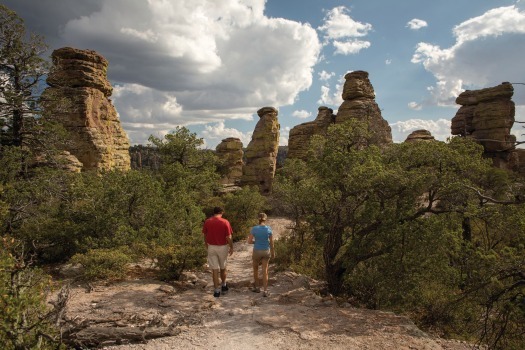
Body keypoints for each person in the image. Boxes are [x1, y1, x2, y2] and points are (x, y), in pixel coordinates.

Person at [202, 207, 234, 297]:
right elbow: (228, 237)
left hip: (211, 246)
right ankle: (223, 285)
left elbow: (205, 234)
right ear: (221, 212)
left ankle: (216, 291)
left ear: (214, 212)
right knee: (223, 267)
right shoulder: (225, 222)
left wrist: (206, 245)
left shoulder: (207, 221)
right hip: (223, 247)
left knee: (214, 270)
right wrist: (231, 247)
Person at [247, 212, 275, 297]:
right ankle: (265, 291)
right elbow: (272, 243)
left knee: (255, 269)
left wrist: (256, 242)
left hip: (257, 251)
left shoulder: (254, 229)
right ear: (266, 219)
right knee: (265, 271)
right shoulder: (269, 229)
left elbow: (249, 241)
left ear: (258, 219)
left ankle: (257, 288)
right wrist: (273, 253)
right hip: (266, 251)